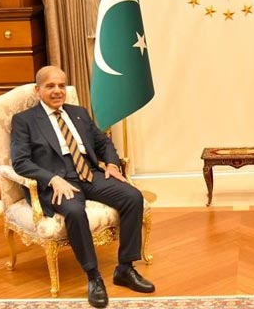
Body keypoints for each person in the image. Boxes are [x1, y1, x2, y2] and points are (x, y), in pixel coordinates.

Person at [11, 66, 155, 308]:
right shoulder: (25, 121)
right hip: (58, 181)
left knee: (132, 196)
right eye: (50, 86)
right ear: (38, 90)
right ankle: (94, 277)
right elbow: (20, 161)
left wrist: (110, 164)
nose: (57, 91)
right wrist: (51, 179)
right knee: (75, 212)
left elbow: (103, 142)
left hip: (89, 174)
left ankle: (125, 268)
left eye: (61, 85)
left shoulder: (78, 113)